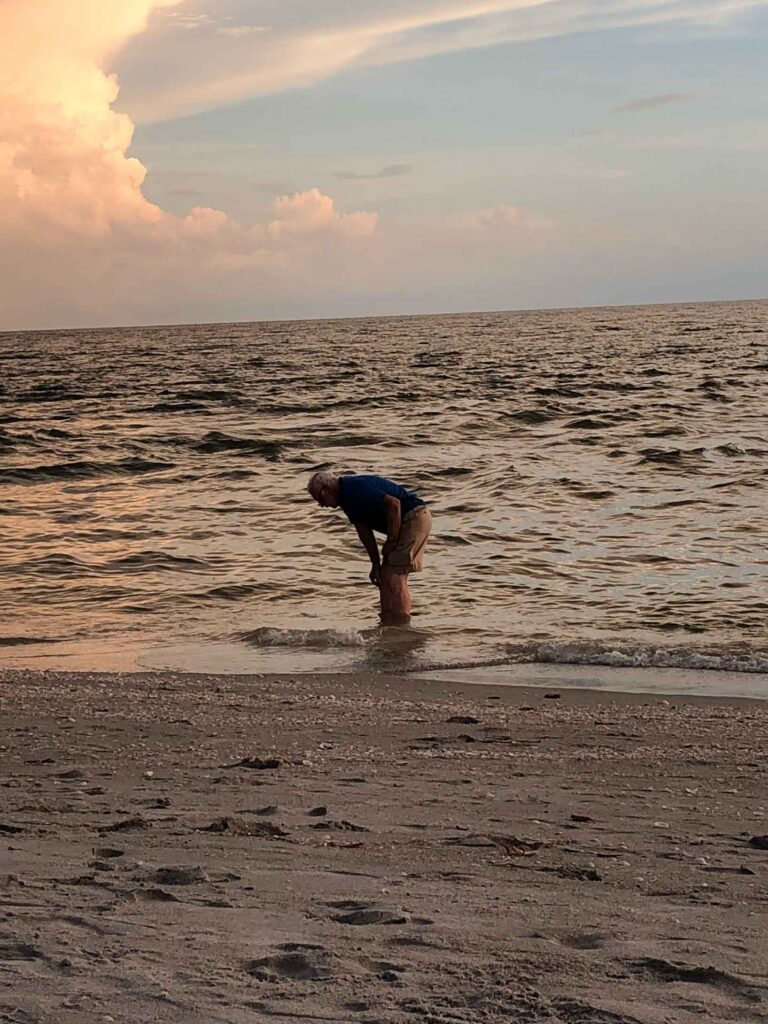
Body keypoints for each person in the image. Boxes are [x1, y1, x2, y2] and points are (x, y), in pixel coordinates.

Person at [307, 471, 432, 624]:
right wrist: (375, 564)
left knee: (395, 575)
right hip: (405, 522)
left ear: (326, 489)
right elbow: (364, 531)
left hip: (414, 516)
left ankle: (402, 628)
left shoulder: (353, 488)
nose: (321, 505)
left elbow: (394, 504)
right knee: (384, 575)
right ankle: (387, 623)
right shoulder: (346, 500)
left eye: (319, 499)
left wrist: (391, 540)